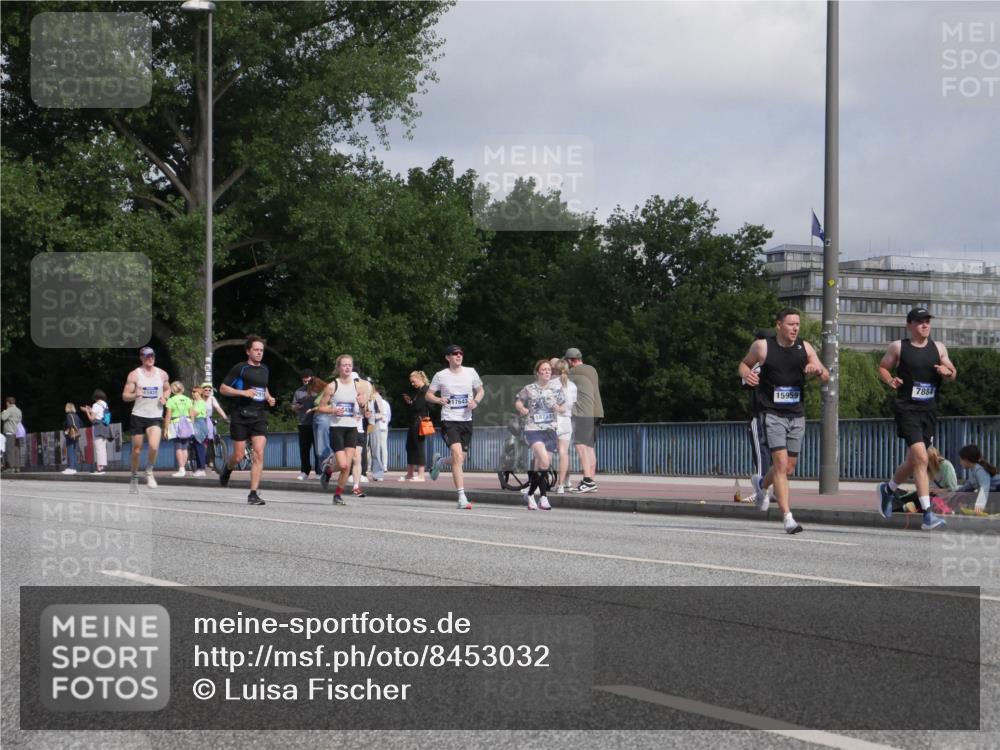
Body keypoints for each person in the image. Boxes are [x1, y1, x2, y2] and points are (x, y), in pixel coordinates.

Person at [738, 308, 829, 535]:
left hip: (796, 414)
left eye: (797, 324)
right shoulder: (762, 347)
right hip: (772, 414)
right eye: (790, 324)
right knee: (779, 464)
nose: (795, 328)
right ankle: (788, 518)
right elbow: (744, 364)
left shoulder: (805, 347)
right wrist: (746, 374)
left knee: (789, 467)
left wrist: (818, 370)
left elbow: (826, 374)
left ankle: (761, 484)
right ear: (779, 325)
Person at [876, 307, 957, 531]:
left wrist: (947, 372)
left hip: (928, 411)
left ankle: (888, 489)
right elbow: (883, 367)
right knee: (922, 458)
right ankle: (928, 515)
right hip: (907, 409)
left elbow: (953, 372)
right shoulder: (898, 347)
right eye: (920, 321)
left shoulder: (938, 348)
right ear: (909, 325)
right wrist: (890, 380)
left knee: (913, 462)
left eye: (927, 321)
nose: (925, 325)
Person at [219, 336, 276, 505]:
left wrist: (269, 397)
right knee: (238, 456)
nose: (259, 353)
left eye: (261, 350)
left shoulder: (265, 369)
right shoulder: (240, 368)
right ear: (248, 351)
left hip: (258, 415)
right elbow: (223, 389)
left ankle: (253, 494)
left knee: (259, 452)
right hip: (240, 415)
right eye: (256, 350)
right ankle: (227, 469)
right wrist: (243, 393)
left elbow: (262, 387)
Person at [428, 344, 484, 510]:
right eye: (454, 353)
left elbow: (481, 391)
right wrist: (438, 400)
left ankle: (439, 461)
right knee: (458, 456)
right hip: (449, 420)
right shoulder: (441, 375)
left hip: (466, 420)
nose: (459, 355)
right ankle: (461, 497)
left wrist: (475, 401)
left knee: (460, 459)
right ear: (448, 358)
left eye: (460, 353)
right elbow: (428, 395)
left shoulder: (470, 372)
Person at [314, 355, 367, 505]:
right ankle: (328, 471)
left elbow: (364, 411)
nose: (347, 367)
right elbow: (320, 407)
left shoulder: (358, 387)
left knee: (347, 466)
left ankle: (337, 495)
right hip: (336, 428)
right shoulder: (332, 386)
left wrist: (363, 405)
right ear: (338, 368)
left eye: (349, 365)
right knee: (343, 464)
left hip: (352, 428)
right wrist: (333, 410)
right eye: (344, 365)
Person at [515, 360, 567, 510]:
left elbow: (564, 407)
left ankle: (538, 496)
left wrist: (559, 408)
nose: (546, 372)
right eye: (543, 370)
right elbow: (518, 401)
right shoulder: (529, 388)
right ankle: (537, 496)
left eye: (549, 370)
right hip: (533, 429)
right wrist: (522, 409)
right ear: (537, 372)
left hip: (550, 430)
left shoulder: (556, 389)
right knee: (543, 460)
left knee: (544, 465)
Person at [122, 346, 169, 490]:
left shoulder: (162, 374)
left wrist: (165, 397)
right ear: (141, 358)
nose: (150, 359)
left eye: (152, 356)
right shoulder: (134, 375)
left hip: (155, 415)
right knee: (137, 450)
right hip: (138, 415)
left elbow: (167, 389)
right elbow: (125, 396)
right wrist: (134, 395)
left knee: (154, 446)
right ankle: (134, 474)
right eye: (147, 356)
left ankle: (149, 471)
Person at [564, 347, 603, 493]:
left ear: (570, 361)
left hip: (584, 413)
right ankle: (591, 481)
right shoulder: (592, 369)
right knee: (590, 448)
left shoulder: (573, 372)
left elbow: (559, 382)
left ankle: (587, 481)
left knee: (581, 446)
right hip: (597, 411)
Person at [745, 330, 775, 505]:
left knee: (761, 453)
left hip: (759, 414)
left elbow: (745, 382)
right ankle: (774, 490)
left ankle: (761, 491)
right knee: (774, 454)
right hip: (778, 415)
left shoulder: (758, 364)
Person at [893, 446, 959, 513]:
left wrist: (936, 490)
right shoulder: (925, 468)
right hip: (926, 494)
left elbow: (953, 489)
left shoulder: (946, 466)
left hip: (938, 497)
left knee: (919, 499)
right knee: (895, 491)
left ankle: (900, 509)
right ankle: (900, 508)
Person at [549, 358, 577, 494]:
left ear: (554, 370)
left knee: (546, 453)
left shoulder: (550, 384)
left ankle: (536, 484)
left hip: (553, 420)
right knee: (564, 453)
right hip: (566, 421)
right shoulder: (572, 386)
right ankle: (562, 484)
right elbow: (572, 405)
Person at [401, 371, 430, 481]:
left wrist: (410, 402)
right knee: (410, 446)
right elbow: (414, 406)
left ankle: (421, 475)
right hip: (414, 421)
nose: (412, 384)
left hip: (420, 421)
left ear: (420, 379)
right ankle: (410, 474)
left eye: (414, 381)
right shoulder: (418, 391)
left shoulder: (425, 390)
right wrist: (409, 402)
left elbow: (418, 406)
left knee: (419, 447)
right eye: (411, 382)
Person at [954, 445, 1000, 516]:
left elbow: (984, 486)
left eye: (961, 459)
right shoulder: (975, 470)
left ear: (966, 460)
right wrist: (953, 493)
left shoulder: (979, 470)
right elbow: (969, 486)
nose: (960, 462)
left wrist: (980, 504)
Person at [164, 381, 194, 478]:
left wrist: (166, 429)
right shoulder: (188, 399)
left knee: (178, 447)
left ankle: (181, 469)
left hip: (176, 423)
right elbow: (192, 414)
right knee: (185, 447)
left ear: (172, 390)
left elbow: (168, 415)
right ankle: (183, 468)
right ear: (183, 389)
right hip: (187, 423)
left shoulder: (171, 400)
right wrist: (192, 425)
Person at [291, 369, 317, 480]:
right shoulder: (298, 391)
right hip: (303, 423)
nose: (306, 383)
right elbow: (293, 406)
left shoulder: (319, 390)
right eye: (304, 381)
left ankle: (319, 471)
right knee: (304, 449)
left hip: (317, 424)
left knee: (318, 450)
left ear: (312, 379)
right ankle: (304, 471)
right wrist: (296, 407)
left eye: (308, 381)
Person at [81, 390, 110, 474]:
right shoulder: (104, 404)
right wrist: (90, 409)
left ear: (95, 397)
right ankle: (102, 466)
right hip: (105, 426)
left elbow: (92, 418)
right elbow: (99, 414)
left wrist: (87, 411)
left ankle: (99, 468)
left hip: (98, 427)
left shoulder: (95, 405)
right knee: (103, 448)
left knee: (98, 448)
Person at [370, 385, 391, 481]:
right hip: (383, 426)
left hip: (374, 424)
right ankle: (384, 465)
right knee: (383, 447)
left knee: (371, 447)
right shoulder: (386, 403)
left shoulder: (373, 399)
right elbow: (389, 416)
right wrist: (386, 422)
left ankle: (370, 466)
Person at [189, 385, 210, 477]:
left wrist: (188, 410)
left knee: (199, 446)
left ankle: (202, 468)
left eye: (195, 392)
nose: (192, 393)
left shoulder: (201, 402)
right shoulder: (194, 402)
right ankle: (198, 468)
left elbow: (194, 413)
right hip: (195, 423)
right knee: (196, 446)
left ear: (199, 393)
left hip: (199, 424)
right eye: (192, 391)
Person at [1, 397, 24, 473]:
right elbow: (20, 420)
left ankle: (11, 468)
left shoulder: (9, 410)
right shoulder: (18, 410)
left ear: (8, 402)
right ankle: (17, 467)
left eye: (6, 403)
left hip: (10, 432)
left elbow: (3, 418)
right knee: (16, 450)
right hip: (17, 433)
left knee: (10, 450)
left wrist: (3, 412)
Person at [62, 403, 83, 474]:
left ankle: (71, 468)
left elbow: (69, 424)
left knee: (70, 451)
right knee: (74, 451)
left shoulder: (68, 415)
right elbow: (81, 424)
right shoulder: (76, 416)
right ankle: (74, 468)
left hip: (70, 435)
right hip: (76, 435)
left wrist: (66, 430)